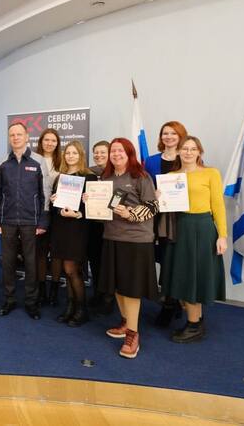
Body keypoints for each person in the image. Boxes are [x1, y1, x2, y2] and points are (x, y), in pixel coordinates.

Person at [161, 136, 227, 343]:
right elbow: (166, 208)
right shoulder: (171, 176)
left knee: (194, 278)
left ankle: (194, 325)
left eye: (193, 149)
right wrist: (159, 197)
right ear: (178, 152)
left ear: (199, 152)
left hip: (202, 228)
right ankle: (195, 320)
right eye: (184, 149)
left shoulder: (211, 173)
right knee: (182, 276)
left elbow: (218, 205)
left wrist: (222, 235)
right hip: (179, 228)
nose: (188, 152)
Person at [98, 138, 159, 359]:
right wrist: (90, 200)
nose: (116, 154)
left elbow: (152, 206)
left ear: (129, 153)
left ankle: (133, 334)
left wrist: (130, 213)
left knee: (131, 288)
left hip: (136, 240)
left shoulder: (140, 176)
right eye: (113, 151)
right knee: (117, 285)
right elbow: (101, 209)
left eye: (120, 151)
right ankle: (125, 323)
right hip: (112, 237)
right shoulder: (105, 178)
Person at [0, 122, 51, 320]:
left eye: (19, 134)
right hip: (7, 220)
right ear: (9, 138)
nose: (15, 138)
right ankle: (9, 300)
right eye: (12, 135)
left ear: (27, 137)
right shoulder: (3, 162)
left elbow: (45, 192)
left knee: (31, 263)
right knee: (8, 262)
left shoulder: (38, 161)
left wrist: (43, 221)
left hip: (31, 221)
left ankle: (31, 302)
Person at [144, 121, 188, 327]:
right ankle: (170, 301)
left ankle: (172, 302)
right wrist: (152, 194)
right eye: (165, 133)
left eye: (173, 133)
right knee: (164, 258)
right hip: (159, 218)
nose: (168, 137)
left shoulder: (188, 157)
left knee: (178, 260)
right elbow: (144, 187)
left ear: (180, 136)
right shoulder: (151, 161)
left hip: (182, 217)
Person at [49, 141, 97, 327]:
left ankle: (82, 310)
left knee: (72, 269)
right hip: (61, 227)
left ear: (81, 155)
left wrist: (79, 212)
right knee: (66, 270)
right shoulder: (60, 177)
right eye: (67, 153)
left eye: (74, 153)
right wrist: (55, 203)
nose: (70, 156)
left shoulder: (89, 177)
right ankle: (71, 306)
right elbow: (55, 206)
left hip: (78, 227)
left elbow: (94, 207)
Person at [35, 128, 61, 306]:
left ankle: (54, 290)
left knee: (57, 252)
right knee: (41, 252)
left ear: (57, 143)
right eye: (46, 140)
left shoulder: (63, 162)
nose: (49, 143)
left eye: (53, 140)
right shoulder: (33, 160)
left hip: (59, 212)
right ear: (41, 142)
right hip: (39, 211)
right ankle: (42, 289)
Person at [87, 140, 113, 313]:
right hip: (92, 224)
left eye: (103, 152)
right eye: (96, 152)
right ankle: (97, 293)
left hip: (111, 225)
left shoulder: (117, 172)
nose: (99, 155)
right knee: (95, 260)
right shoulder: (88, 172)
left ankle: (109, 297)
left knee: (108, 262)